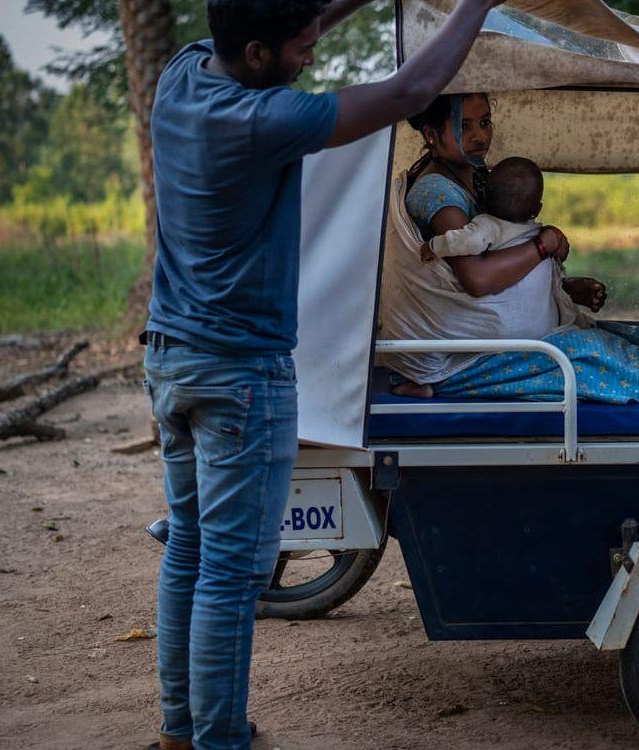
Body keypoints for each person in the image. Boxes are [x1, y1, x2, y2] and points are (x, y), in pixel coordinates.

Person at [140, 1, 503, 748]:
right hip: (240, 375)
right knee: (234, 575)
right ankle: (219, 740)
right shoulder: (260, 119)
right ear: (254, 54)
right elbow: (408, 94)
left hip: (172, 359)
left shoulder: (181, 76)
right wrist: (478, 5)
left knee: (191, 551)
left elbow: (280, 26)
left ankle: (181, 731)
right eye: (300, 48)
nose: (311, 57)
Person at [381, 99, 639, 403]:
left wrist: (562, 289)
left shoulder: (475, 180)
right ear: (431, 135)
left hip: (484, 346)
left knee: (611, 334)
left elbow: (499, 263)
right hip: (456, 362)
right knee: (591, 349)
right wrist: (543, 244)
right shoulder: (437, 192)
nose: (480, 135)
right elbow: (476, 278)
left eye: (485, 122)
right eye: (463, 126)